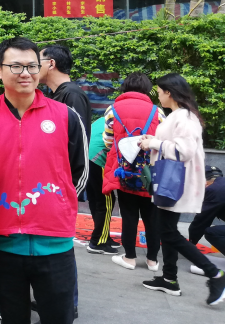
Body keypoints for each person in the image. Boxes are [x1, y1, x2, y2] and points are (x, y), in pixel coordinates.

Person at [0, 37, 87, 324]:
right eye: (16, 66)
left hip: (55, 242)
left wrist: (57, 203)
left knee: (59, 318)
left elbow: (79, 171)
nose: (26, 73)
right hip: (1, 243)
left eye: (32, 66)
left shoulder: (66, 116)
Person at [139, 73, 225, 305]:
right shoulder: (179, 116)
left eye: (159, 91)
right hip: (172, 182)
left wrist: (153, 143)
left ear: (169, 92)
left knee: (167, 232)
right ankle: (169, 279)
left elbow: (183, 151)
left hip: (175, 183)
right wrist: (151, 140)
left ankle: (214, 274)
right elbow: (174, 145)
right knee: (166, 229)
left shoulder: (184, 117)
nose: (157, 95)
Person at [38, 44, 91, 317]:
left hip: (60, 190)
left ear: (51, 64)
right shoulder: (57, 94)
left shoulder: (71, 95)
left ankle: (69, 305)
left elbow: (76, 149)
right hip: (48, 189)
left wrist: (65, 192)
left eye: (37, 60)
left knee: (62, 251)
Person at [101, 73, 161, 269]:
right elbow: (162, 141)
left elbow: (108, 141)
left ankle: (129, 258)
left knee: (128, 215)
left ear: (125, 87)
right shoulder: (157, 111)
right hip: (150, 171)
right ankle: (152, 260)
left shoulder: (112, 110)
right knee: (152, 217)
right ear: (147, 89)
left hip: (124, 171)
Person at [87, 113, 117, 254]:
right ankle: (98, 241)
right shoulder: (120, 119)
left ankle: (103, 236)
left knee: (95, 199)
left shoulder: (106, 117)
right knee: (106, 201)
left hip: (86, 157)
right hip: (98, 159)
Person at [188, 166, 225, 270]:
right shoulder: (221, 185)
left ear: (205, 183)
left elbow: (201, 221)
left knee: (212, 233)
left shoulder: (213, 189)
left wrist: (190, 244)